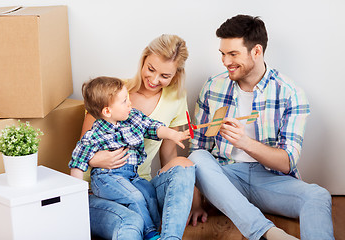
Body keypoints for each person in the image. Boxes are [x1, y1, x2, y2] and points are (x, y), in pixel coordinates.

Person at [188, 14, 334, 240]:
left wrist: (244, 142)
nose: (226, 61)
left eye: (233, 54)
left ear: (256, 51)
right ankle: (268, 233)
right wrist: (196, 203)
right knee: (197, 158)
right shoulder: (213, 87)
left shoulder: (290, 94)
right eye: (223, 54)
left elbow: (287, 162)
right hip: (225, 177)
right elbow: (198, 149)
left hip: (270, 180)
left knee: (318, 195)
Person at [81, 34, 196, 240]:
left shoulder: (176, 98)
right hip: (101, 189)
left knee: (184, 164)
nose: (153, 80)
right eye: (151, 69)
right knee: (132, 223)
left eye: (164, 76)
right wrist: (99, 160)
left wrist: (191, 200)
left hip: (138, 184)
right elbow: (83, 148)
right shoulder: (112, 92)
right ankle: (150, 230)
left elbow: (168, 154)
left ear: (176, 75)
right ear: (143, 59)